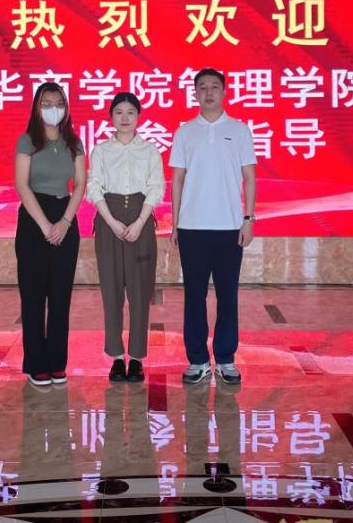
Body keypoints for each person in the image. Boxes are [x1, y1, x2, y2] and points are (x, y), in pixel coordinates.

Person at [169, 68, 256, 386]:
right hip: (192, 227)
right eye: (202, 87)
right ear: (195, 93)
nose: (208, 92)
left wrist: (248, 219)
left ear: (224, 92)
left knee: (227, 296)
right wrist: (175, 224)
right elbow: (178, 180)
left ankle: (226, 359)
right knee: (194, 296)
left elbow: (249, 177)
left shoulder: (239, 130)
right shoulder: (185, 132)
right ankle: (197, 360)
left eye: (214, 87)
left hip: (229, 227)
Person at [87, 92, 165, 383]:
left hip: (141, 220)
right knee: (112, 291)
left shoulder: (150, 151)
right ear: (111, 116)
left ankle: (137, 358)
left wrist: (140, 221)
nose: (124, 117)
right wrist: (111, 221)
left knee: (140, 292)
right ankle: (117, 357)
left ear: (138, 117)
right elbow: (94, 187)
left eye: (130, 112)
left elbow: (156, 188)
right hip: (109, 218)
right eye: (119, 112)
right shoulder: (101, 151)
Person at [14, 82, 86, 387]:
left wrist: (65, 222)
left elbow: (80, 184)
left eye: (58, 103)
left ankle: (57, 362)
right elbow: (22, 185)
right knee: (33, 296)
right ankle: (36, 364)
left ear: (66, 108)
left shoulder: (74, 143)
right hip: (34, 220)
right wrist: (45, 226)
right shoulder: (27, 140)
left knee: (60, 297)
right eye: (46, 104)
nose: (52, 109)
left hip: (65, 217)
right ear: (36, 107)